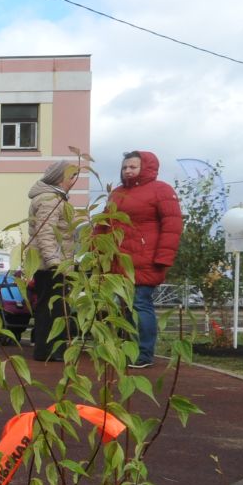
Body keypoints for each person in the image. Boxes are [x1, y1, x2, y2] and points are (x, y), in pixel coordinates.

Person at [103, 151, 184, 369]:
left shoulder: (161, 190)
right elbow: (104, 223)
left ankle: (144, 353)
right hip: (119, 260)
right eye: (125, 167)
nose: (128, 170)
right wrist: (96, 249)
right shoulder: (117, 193)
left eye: (133, 167)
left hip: (146, 259)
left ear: (146, 168)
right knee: (125, 308)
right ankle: (129, 349)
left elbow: (172, 225)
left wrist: (164, 257)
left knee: (139, 304)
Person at [25, 160, 77, 361]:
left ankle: (46, 349)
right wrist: (56, 263)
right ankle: (49, 351)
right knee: (53, 309)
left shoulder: (53, 198)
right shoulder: (50, 199)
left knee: (50, 307)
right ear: (60, 178)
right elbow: (45, 233)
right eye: (71, 177)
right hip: (51, 265)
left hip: (48, 264)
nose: (73, 181)